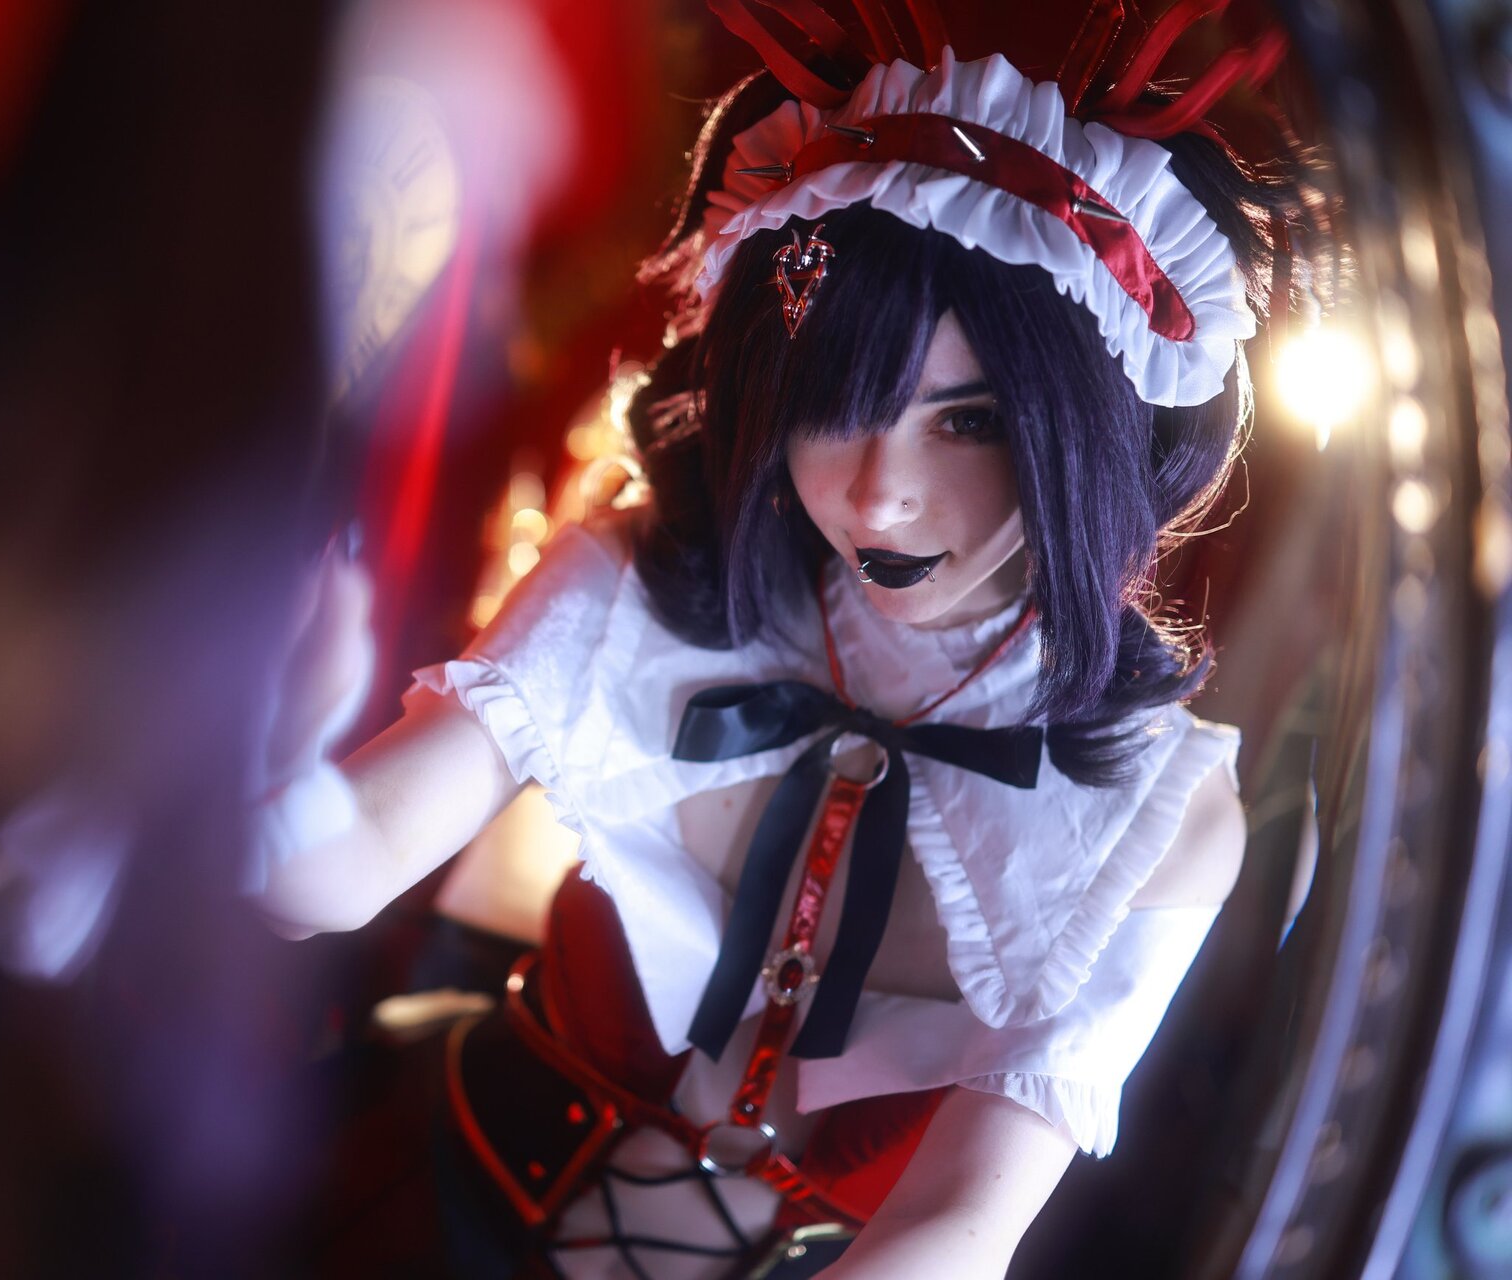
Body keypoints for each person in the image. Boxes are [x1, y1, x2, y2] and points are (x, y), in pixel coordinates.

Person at [253, 2, 1327, 1275]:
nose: (879, 495)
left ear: (1089, 438)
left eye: (970, 422)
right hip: (422, 1204)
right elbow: (344, 862)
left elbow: (960, 1229)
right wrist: (230, 763)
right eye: (836, 404)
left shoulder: (1160, 810)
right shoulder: (643, 585)